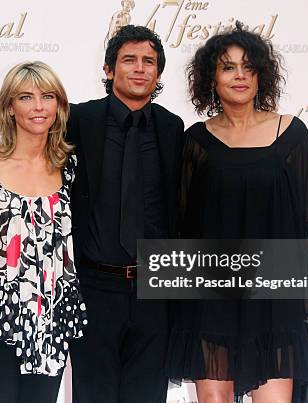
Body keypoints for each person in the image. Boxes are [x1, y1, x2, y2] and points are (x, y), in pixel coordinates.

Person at [167, 23, 308, 402]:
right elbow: (181, 227)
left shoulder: (292, 135)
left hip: (274, 300)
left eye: (248, 67)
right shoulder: (195, 141)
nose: (239, 75)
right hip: (209, 299)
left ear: (262, 75)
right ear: (212, 78)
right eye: (228, 67)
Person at [67, 25, 185, 403]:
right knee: (93, 394)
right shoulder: (78, 121)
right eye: (129, 60)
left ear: (159, 73)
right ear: (108, 69)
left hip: (155, 287)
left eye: (148, 61)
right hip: (93, 285)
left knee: (148, 396)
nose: (139, 68)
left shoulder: (172, 128)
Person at [0, 61, 87, 403]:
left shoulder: (71, 168)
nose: (38, 106)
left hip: (52, 314)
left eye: (47, 96)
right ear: (8, 107)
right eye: (26, 97)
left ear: (59, 106)